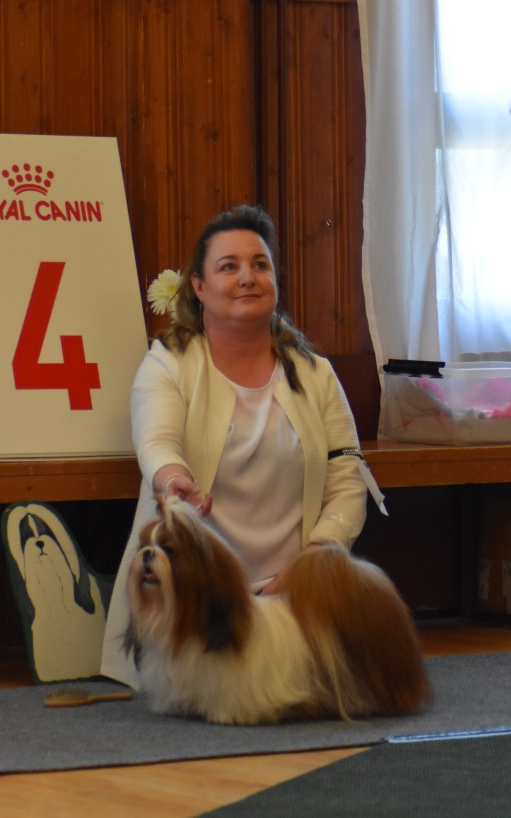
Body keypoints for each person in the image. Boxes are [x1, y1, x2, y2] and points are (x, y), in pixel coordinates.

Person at [100, 204, 385, 687]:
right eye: (228, 266)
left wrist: (318, 555)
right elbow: (157, 441)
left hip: (292, 599)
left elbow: (347, 479)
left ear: (274, 279)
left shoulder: (316, 374)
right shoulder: (168, 362)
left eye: (260, 264)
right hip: (197, 605)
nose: (247, 277)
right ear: (199, 286)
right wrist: (174, 481)